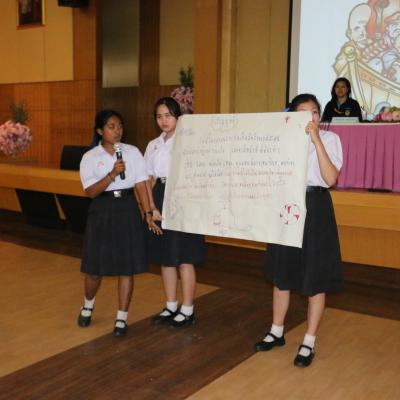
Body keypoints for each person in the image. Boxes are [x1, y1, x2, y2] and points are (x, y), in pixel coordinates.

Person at [254, 94, 343, 368]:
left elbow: (331, 178)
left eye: (314, 111)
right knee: (282, 273)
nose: (310, 117)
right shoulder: (282, 140)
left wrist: (316, 140)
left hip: (316, 206)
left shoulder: (330, 139)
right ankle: (276, 331)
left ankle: (309, 340)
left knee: (315, 276)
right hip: (287, 206)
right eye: (303, 112)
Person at [77, 109, 161, 337]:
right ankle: (88, 305)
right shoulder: (90, 157)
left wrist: (148, 211)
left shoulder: (132, 152)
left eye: (120, 126)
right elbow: (91, 192)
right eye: (111, 127)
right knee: (94, 269)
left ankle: (121, 318)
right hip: (102, 210)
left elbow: (141, 184)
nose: (117, 131)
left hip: (127, 208)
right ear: (99, 131)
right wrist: (112, 174)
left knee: (126, 267)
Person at [144, 97, 206, 329]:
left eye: (168, 115)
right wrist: (151, 208)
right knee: (166, 256)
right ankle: (170, 305)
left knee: (185, 257)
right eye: (159, 116)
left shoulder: (189, 141)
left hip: (184, 195)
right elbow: (147, 179)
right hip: (160, 194)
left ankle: (188, 309)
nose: (164, 121)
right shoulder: (153, 145)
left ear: (178, 116)